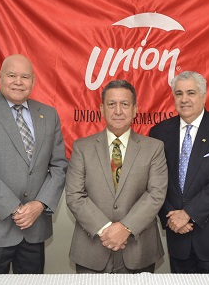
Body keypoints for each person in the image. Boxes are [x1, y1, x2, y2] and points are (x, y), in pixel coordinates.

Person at [0, 54, 68, 274]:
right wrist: (15, 208)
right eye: (11, 75)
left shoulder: (48, 114)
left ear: (33, 81)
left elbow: (59, 166)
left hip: (34, 227)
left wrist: (39, 205)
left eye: (25, 76)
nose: (18, 81)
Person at [66, 80, 168, 273]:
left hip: (139, 251)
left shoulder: (154, 148)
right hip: (92, 249)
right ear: (102, 109)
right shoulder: (82, 147)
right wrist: (106, 230)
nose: (118, 111)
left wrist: (126, 228)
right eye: (111, 104)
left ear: (135, 109)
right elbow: (74, 195)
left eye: (125, 104)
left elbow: (156, 194)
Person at [149, 71, 209, 273]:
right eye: (179, 93)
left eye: (191, 92)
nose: (184, 99)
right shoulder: (159, 132)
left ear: (203, 95)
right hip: (177, 233)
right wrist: (171, 218)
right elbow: (156, 181)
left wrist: (188, 213)